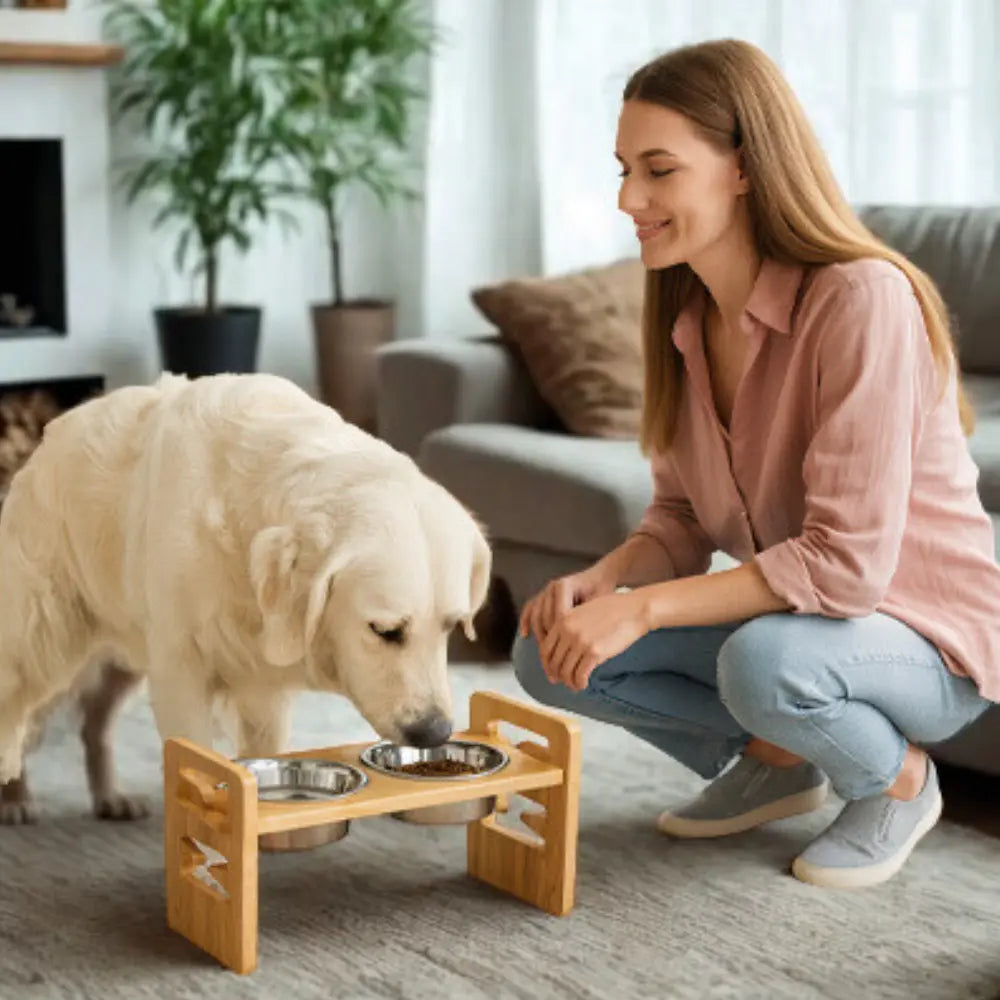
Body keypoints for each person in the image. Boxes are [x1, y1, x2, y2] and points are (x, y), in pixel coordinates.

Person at [511, 38, 1000, 890]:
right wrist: (608, 580)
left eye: (659, 170)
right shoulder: (687, 316)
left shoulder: (860, 298)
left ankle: (898, 782)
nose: (630, 198)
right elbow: (683, 520)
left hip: (929, 641)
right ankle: (780, 761)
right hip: (810, 627)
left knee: (765, 664)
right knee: (546, 651)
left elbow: (844, 570)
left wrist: (646, 610)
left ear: (743, 166)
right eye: (625, 170)